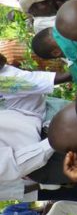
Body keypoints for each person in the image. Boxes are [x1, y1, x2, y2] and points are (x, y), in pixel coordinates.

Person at [0, 53, 71, 200]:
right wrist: (53, 140)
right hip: (46, 146)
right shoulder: (3, 81)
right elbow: (14, 164)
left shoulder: (5, 75)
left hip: (45, 126)